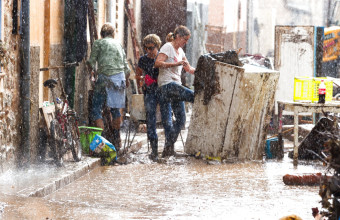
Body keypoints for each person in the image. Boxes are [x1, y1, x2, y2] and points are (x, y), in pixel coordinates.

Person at [87, 23, 130, 151]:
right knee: (116, 109)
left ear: (101, 34)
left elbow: (90, 61)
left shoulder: (98, 43)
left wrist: (92, 72)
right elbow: (126, 67)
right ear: (113, 34)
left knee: (96, 108)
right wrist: (126, 80)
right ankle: (117, 140)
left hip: (105, 77)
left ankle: (101, 141)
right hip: (119, 77)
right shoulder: (118, 44)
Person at [154, 25, 196, 157]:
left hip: (175, 86)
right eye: (185, 39)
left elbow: (189, 69)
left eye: (188, 40)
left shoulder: (181, 52)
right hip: (166, 86)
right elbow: (157, 63)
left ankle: (168, 148)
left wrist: (203, 71)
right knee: (194, 96)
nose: (186, 42)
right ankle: (168, 148)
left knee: (181, 120)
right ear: (178, 37)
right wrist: (175, 64)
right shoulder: (168, 47)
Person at [136, 34, 162, 161]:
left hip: (162, 90)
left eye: (151, 48)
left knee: (166, 120)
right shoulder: (143, 60)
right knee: (151, 121)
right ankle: (154, 151)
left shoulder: (161, 57)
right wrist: (142, 81)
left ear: (157, 47)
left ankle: (168, 148)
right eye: (146, 48)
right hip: (149, 92)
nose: (149, 51)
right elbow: (138, 74)